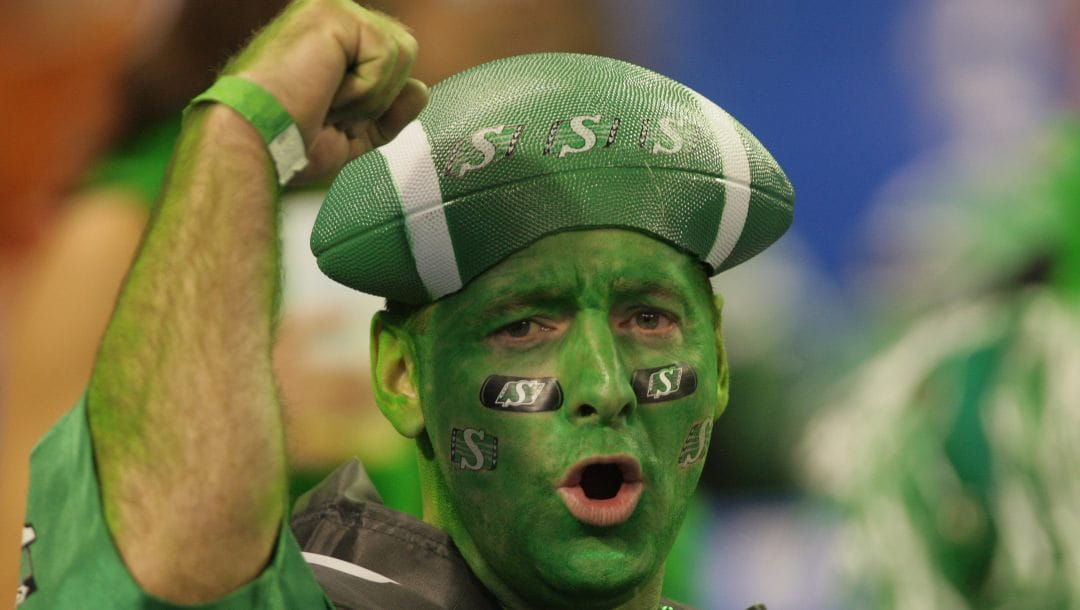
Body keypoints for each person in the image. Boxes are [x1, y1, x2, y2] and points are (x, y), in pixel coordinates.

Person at [16, 0, 793, 608]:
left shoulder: (648, 203)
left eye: (648, 318)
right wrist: (223, 422)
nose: (603, 383)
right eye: (525, 325)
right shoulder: (148, 221)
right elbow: (90, 576)